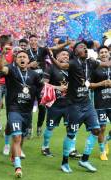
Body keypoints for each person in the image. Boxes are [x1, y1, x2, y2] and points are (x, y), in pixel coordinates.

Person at [52, 42, 111, 173]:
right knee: (71, 134)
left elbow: (107, 64)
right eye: (80, 46)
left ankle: (84, 160)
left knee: (96, 130)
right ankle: (64, 162)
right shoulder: (73, 63)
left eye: (85, 46)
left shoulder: (91, 62)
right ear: (75, 51)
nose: (84, 47)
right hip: (74, 105)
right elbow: (61, 65)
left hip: (87, 104)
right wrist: (51, 55)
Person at [0, 49, 43, 178]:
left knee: (21, 138)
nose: (22, 58)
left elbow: (42, 87)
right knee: (16, 137)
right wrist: (2, 55)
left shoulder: (34, 74)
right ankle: (18, 167)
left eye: (24, 57)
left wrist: (57, 89)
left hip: (27, 112)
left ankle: (14, 155)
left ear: (28, 60)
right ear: (16, 60)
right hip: (14, 109)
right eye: (19, 57)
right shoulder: (11, 70)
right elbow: (2, 68)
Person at [41, 48, 81, 158]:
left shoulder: (72, 68)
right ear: (57, 57)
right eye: (63, 54)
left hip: (70, 104)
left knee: (71, 127)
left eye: (67, 55)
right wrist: (58, 87)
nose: (66, 57)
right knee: (50, 127)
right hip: (55, 104)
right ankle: (45, 147)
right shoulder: (51, 68)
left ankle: (72, 149)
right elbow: (43, 84)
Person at [90, 46, 111, 161]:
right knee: (102, 128)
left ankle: (107, 139)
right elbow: (89, 85)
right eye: (101, 52)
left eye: (105, 52)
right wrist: (101, 83)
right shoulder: (95, 68)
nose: (103, 54)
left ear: (109, 53)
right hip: (100, 103)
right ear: (98, 55)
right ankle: (102, 151)